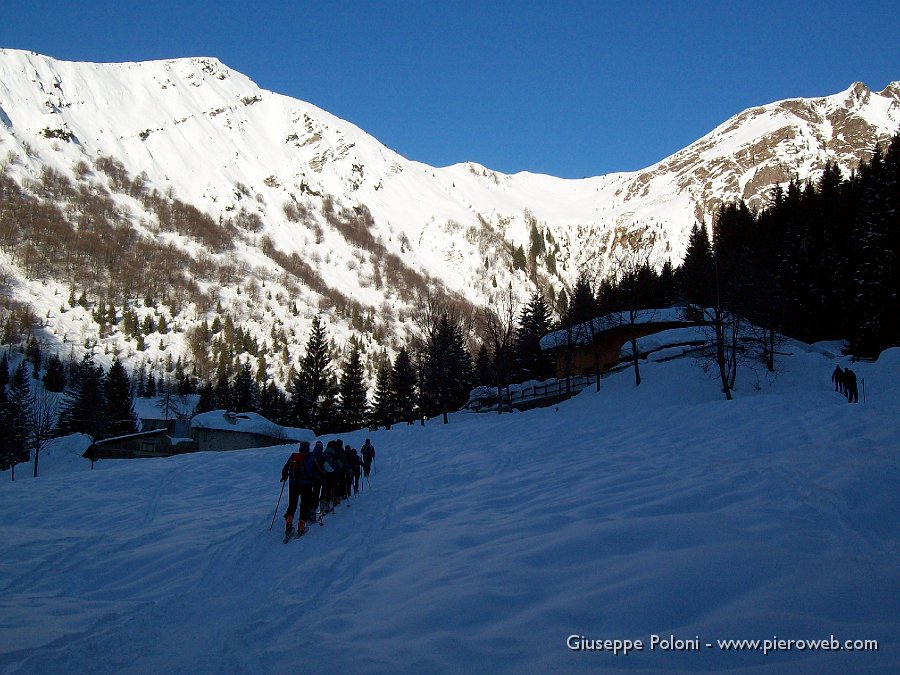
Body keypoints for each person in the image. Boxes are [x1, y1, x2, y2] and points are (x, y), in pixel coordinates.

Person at [280, 441, 315, 537]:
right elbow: (315, 471)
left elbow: (285, 469)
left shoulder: (293, 456)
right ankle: (301, 526)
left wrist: (285, 476)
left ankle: (289, 523)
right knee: (304, 505)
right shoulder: (311, 457)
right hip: (306, 485)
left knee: (292, 504)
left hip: (293, 484)